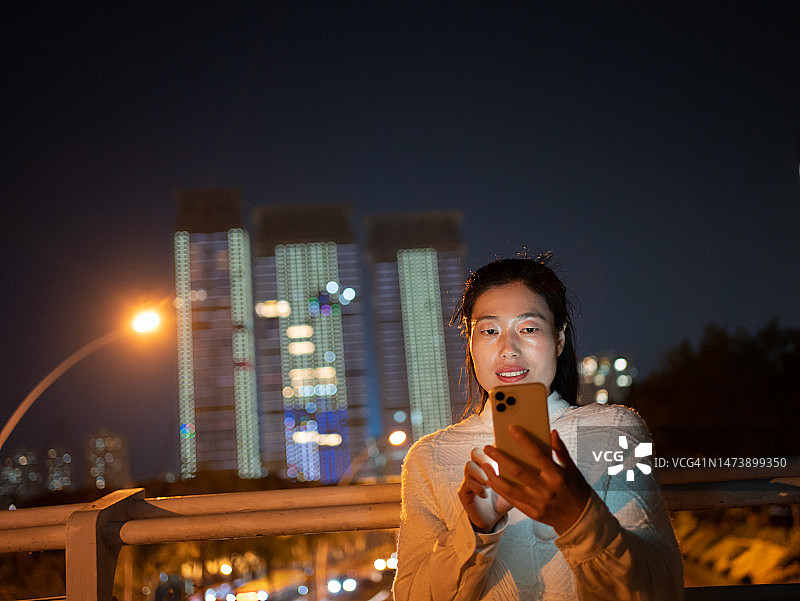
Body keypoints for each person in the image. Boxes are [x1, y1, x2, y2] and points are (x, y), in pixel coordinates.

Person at [392, 255, 683, 601]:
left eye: (528, 328)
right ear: (469, 346)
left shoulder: (613, 429)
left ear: (559, 339)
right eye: (488, 331)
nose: (508, 349)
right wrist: (474, 531)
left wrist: (578, 517)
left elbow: (661, 588)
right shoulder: (429, 456)